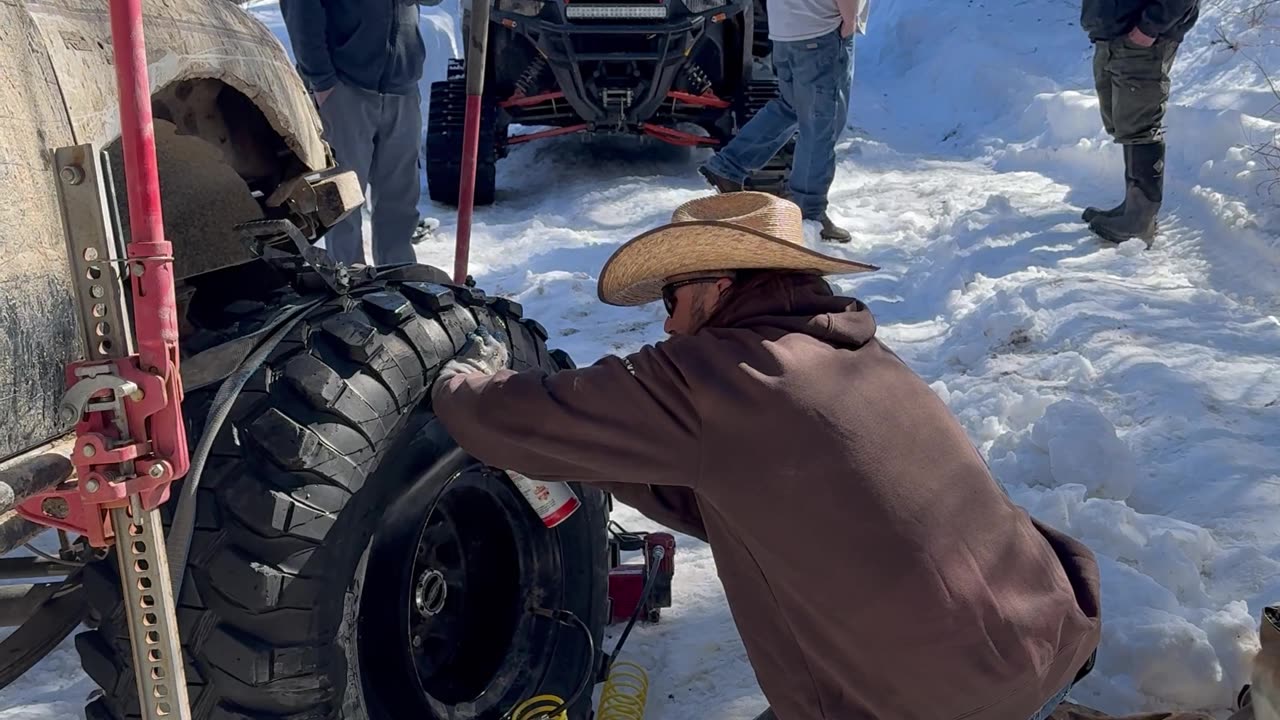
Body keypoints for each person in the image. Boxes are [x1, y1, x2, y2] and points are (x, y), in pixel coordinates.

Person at [430, 191, 1103, 720]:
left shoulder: (718, 374)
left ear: (720, 285)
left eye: (673, 297)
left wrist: (453, 376)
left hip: (940, 705)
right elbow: (747, 499)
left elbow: (516, 417)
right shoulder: (853, 354)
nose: (666, 322)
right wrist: (595, 452)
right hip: (1051, 638)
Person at [280, 0, 439, 266]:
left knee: (399, 201)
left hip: (402, 86)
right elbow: (301, 10)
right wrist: (322, 81)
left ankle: (398, 283)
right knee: (342, 201)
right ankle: (349, 288)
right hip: (345, 87)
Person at [697, 0, 869, 244]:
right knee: (822, 124)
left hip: (786, 31)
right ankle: (809, 214)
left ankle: (729, 166)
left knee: (791, 107)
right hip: (821, 30)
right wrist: (850, 21)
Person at [1079, 0, 1199, 246]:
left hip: (1143, 36)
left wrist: (1150, 26)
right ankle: (1132, 207)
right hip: (1112, 33)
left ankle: (1140, 218)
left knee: (1140, 122)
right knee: (1124, 122)